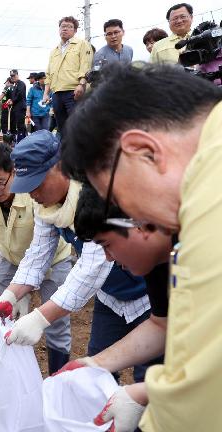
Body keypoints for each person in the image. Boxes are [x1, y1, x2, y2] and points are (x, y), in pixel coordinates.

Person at [59, 62, 222, 432]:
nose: (131, 216)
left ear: (143, 151)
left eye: (116, 197)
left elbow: (199, 405)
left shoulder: (210, 190)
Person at [0, 131, 153, 377]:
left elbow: (93, 265)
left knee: (148, 374)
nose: (32, 194)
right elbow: (38, 253)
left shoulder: (97, 192)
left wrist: (41, 317)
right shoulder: (46, 206)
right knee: (97, 372)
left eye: (37, 184)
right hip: (110, 296)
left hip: (149, 294)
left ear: (61, 167)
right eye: (27, 187)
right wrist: (11, 294)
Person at [55, 185, 171, 432]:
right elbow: (162, 325)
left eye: (107, 244)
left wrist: (144, 391)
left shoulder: (201, 253)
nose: (108, 258)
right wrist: (95, 363)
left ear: (136, 224)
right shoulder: (155, 263)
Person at [0, 143, 73, 375]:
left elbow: (41, 247)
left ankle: (58, 376)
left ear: (13, 171)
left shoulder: (35, 194)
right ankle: (12, 373)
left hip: (53, 261)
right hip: (10, 261)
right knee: (2, 316)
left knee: (55, 322)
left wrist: (23, 291)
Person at [42, 16, 93, 136]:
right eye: (63, 26)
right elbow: (49, 73)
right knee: (62, 127)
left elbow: (85, 65)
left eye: (69, 27)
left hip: (74, 91)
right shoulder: (54, 50)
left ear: (75, 30)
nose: (65, 29)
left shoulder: (82, 44)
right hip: (57, 93)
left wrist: (81, 84)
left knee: (76, 125)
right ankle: (64, 153)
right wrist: (46, 93)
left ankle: (80, 153)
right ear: (59, 29)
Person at [8, 69, 27, 143]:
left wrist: (12, 101)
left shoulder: (21, 83)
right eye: (11, 76)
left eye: (13, 76)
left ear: (17, 75)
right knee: (18, 125)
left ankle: (21, 141)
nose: (12, 77)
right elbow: (14, 96)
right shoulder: (15, 85)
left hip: (20, 107)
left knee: (20, 125)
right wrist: (10, 100)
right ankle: (23, 140)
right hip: (16, 107)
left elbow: (20, 95)